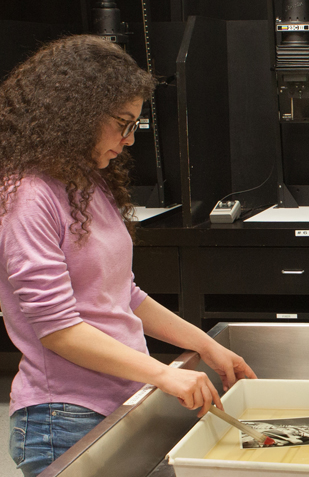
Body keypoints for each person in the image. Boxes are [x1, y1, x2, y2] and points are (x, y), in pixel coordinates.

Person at [0, 35, 257, 477]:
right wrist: (164, 374)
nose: (129, 139)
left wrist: (205, 344)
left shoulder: (87, 181)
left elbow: (125, 295)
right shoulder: (27, 194)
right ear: (75, 111)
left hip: (121, 399)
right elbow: (59, 331)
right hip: (61, 418)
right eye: (122, 123)